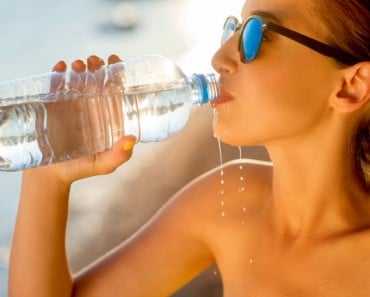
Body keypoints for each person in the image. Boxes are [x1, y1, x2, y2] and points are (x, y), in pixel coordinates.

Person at [8, 0, 370, 296]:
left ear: (351, 87)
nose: (218, 58)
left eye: (256, 35)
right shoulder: (228, 205)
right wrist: (48, 170)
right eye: (232, 29)